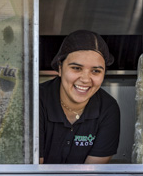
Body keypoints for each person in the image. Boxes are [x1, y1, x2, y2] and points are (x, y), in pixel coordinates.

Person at [39, 30, 120, 164]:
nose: (85, 79)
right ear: (60, 68)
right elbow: (34, 172)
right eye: (76, 68)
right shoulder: (37, 102)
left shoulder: (108, 108)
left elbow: (92, 174)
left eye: (96, 71)